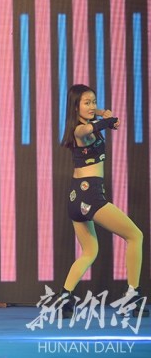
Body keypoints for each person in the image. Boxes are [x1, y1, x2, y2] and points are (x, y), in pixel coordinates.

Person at [56, 84, 146, 318]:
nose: (92, 106)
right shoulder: (79, 130)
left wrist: (102, 113)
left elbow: (95, 119)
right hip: (90, 195)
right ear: (75, 107)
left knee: (89, 251)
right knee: (135, 236)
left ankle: (65, 296)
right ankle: (132, 295)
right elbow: (89, 129)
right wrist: (106, 121)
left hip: (77, 197)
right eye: (87, 102)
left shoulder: (89, 121)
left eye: (94, 101)